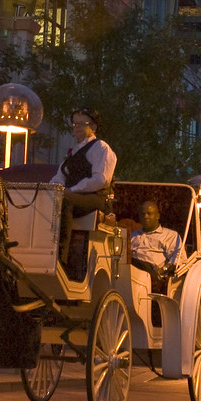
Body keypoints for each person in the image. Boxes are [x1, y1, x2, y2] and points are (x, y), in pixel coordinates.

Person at [50, 108, 116, 265]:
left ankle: (60, 257)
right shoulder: (73, 152)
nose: (76, 127)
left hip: (97, 198)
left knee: (64, 200)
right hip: (75, 195)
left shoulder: (101, 148)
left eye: (81, 123)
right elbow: (59, 176)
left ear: (93, 127)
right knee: (48, 199)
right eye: (74, 124)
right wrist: (51, 190)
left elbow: (100, 180)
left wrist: (71, 191)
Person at [130, 199, 182, 292]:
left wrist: (163, 269)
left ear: (157, 216)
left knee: (132, 261)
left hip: (152, 273)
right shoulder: (133, 235)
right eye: (143, 214)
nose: (145, 217)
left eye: (149, 214)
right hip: (130, 272)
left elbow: (178, 258)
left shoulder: (170, 235)